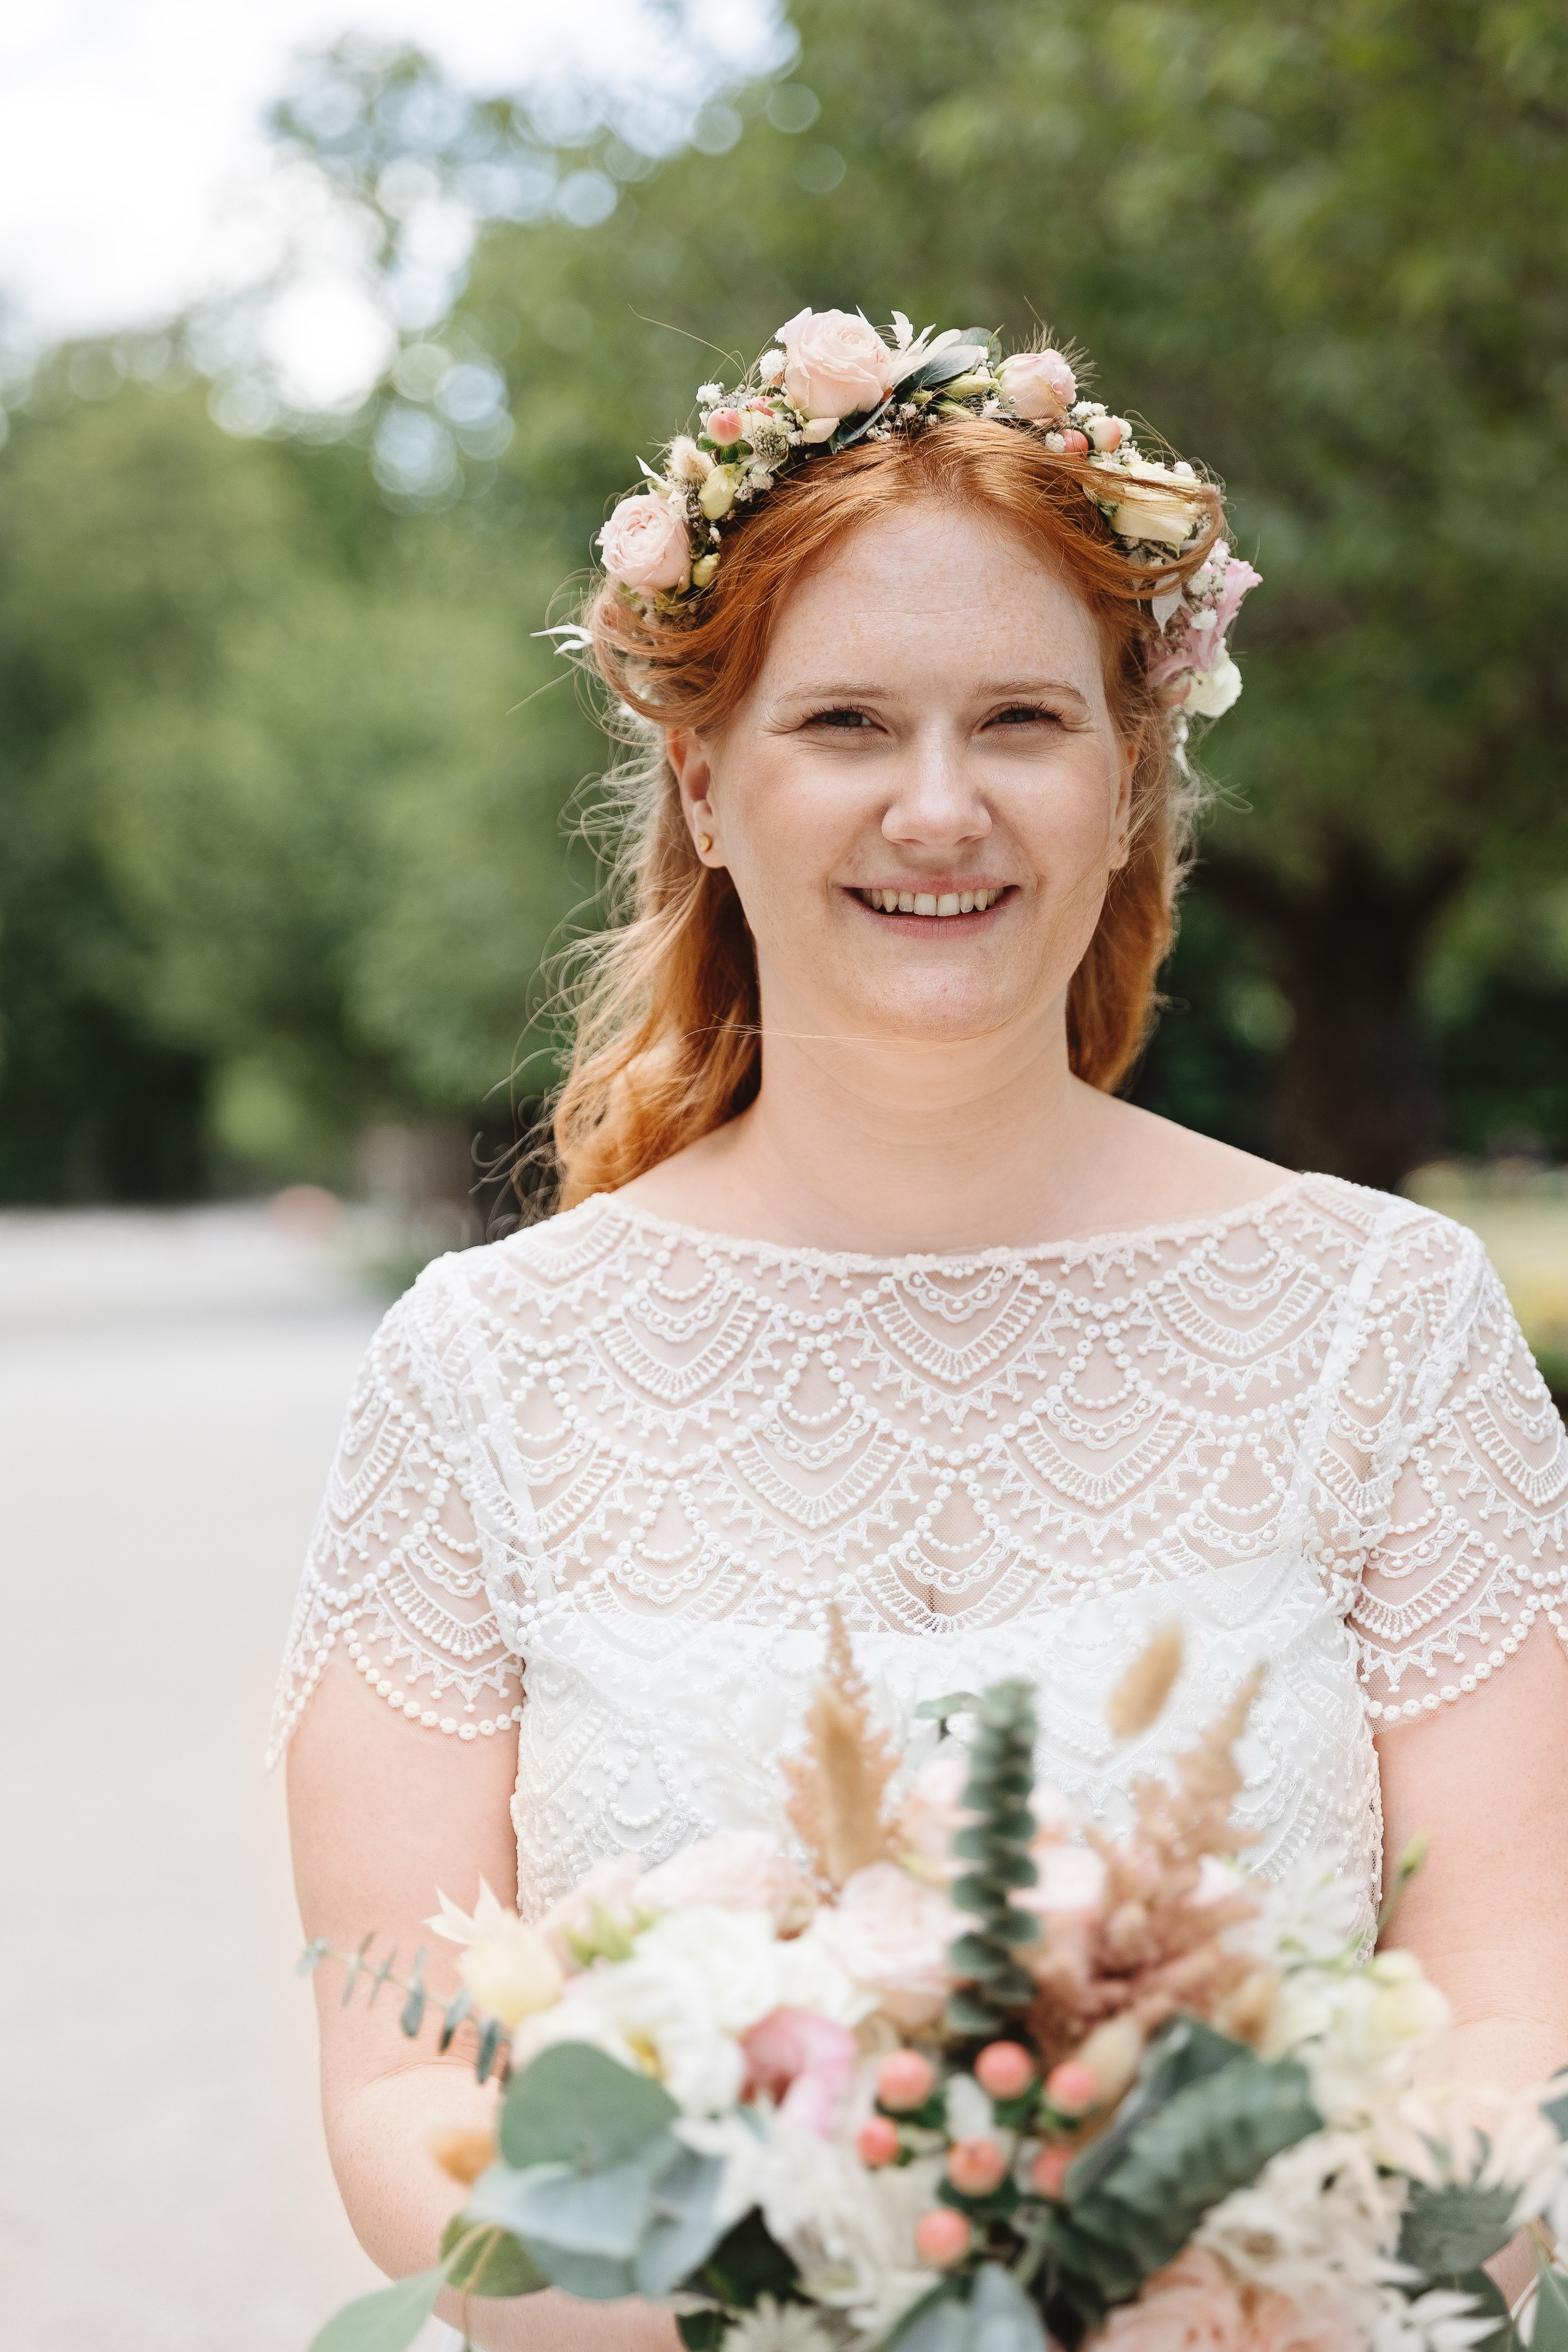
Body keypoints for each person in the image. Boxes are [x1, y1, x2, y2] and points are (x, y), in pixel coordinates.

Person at [274, 310, 1568, 2349]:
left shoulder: (1382, 1327)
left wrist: (1229, 2294)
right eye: (850, 725)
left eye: (1024, 724)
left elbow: (1518, 2008)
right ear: (704, 787)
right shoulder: (482, 1373)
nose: (940, 806)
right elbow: (401, 2089)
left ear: (1133, 779)